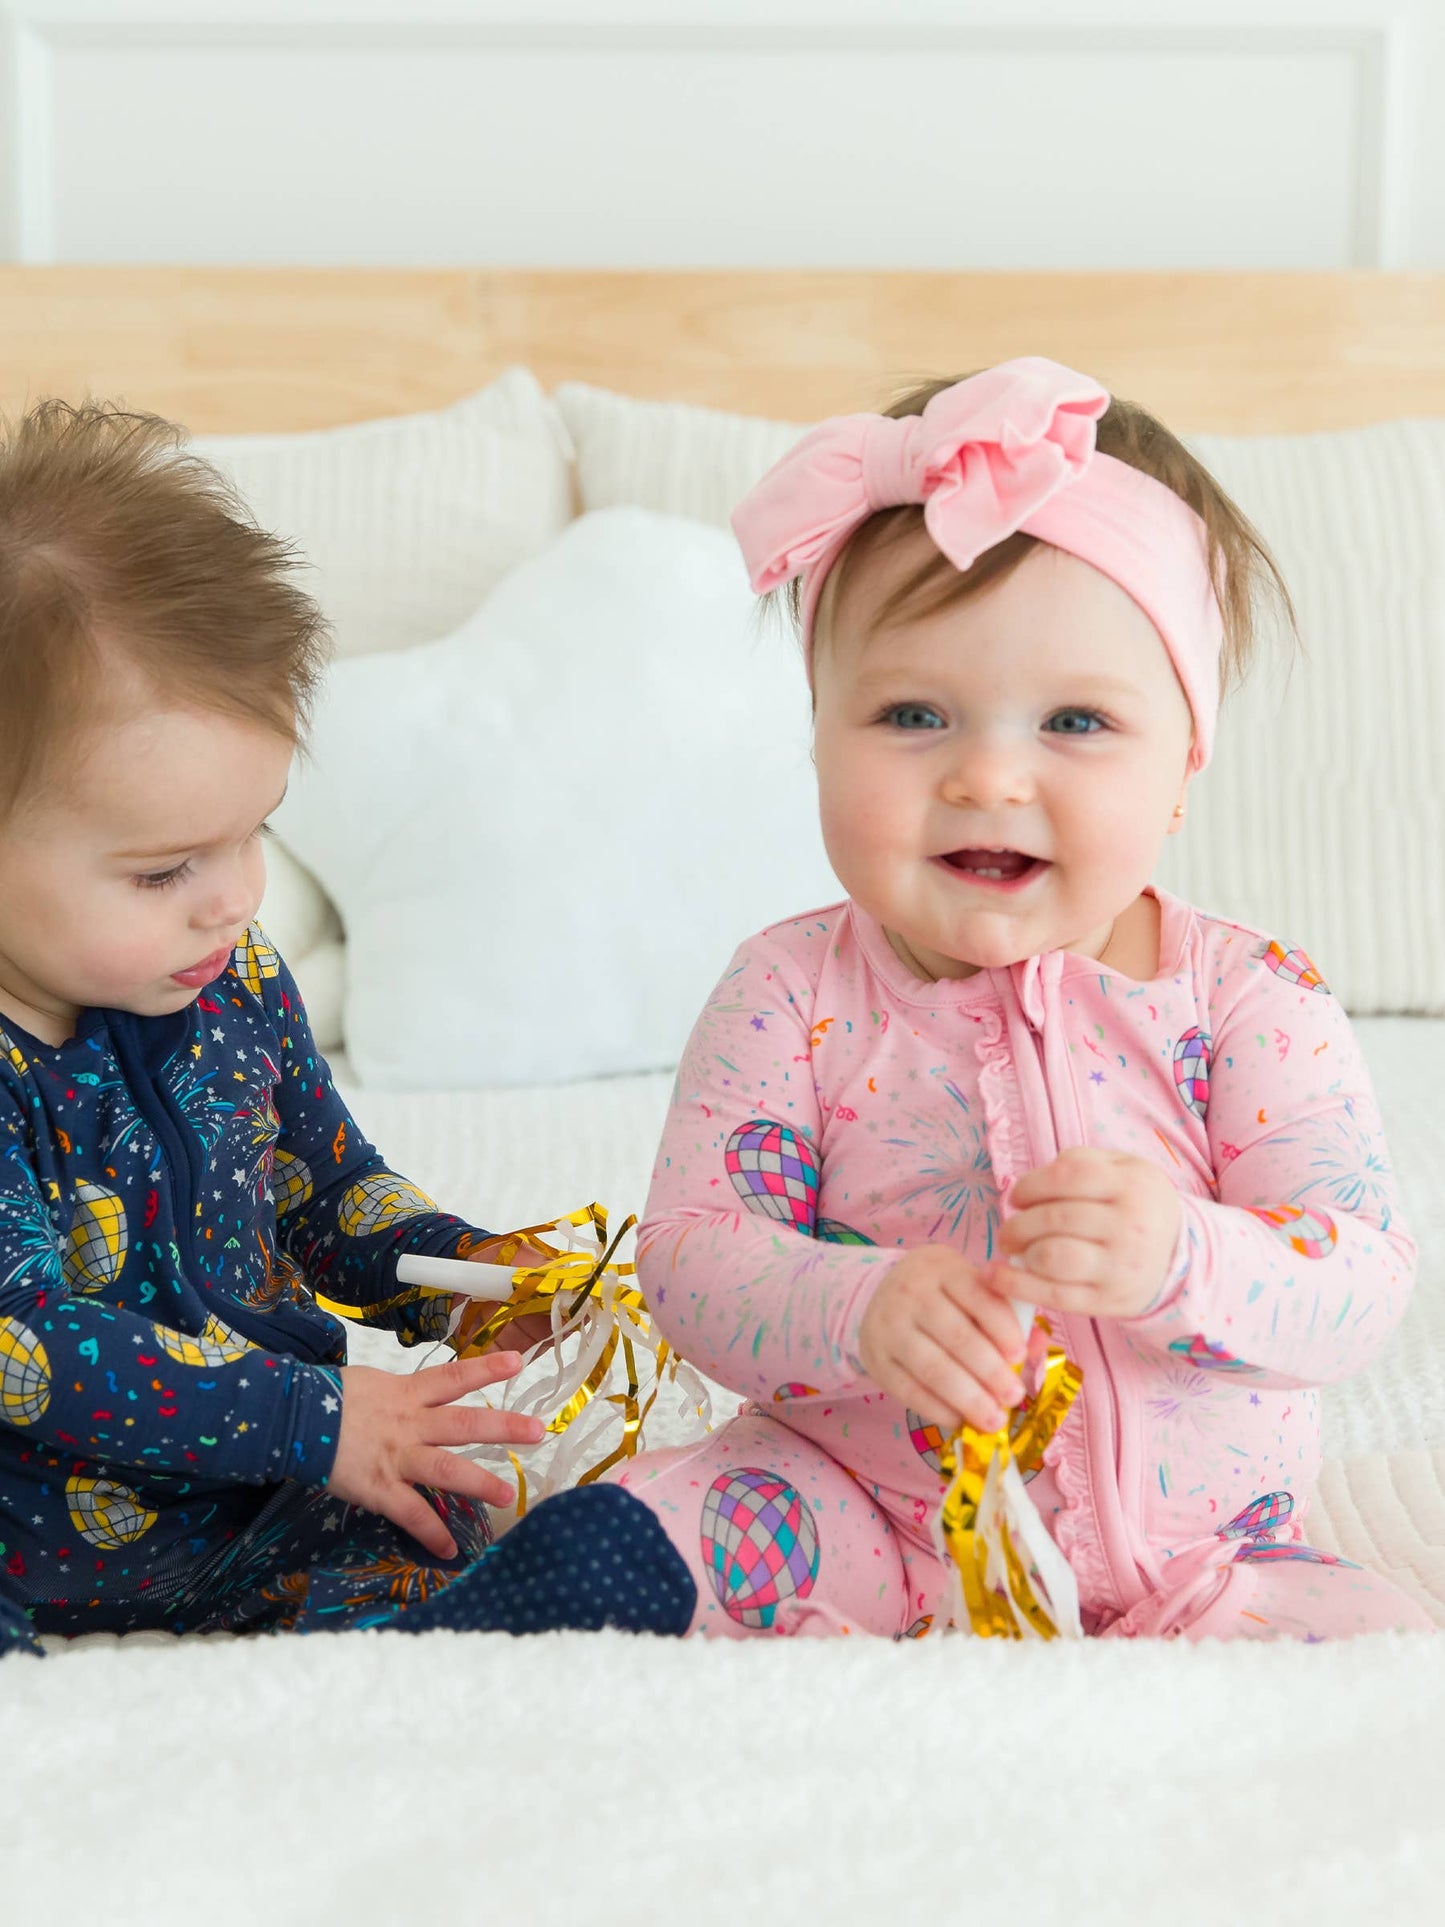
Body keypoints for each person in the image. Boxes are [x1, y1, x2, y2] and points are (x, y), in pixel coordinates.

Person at [608, 357, 1434, 1641]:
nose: (989, 776)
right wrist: (857, 1303)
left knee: (1385, 1666)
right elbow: (692, 1253)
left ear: (1181, 760)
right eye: (912, 713)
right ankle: (484, 1622)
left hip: (1206, 1558)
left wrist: (1182, 1256)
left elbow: (1360, 1280)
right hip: (866, 1516)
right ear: (816, 727)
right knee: (653, 1531)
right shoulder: (788, 988)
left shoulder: (1245, 999)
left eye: (1075, 723)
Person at [0, 401, 693, 1658]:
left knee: (442, 1528)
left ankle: (446, 1664)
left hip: (267, 1504)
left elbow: (329, 1194)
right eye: (164, 870)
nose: (236, 896)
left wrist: (471, 1280)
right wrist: (317, 1418)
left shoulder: (230, 977)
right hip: (31, 1526)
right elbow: (27, 1341)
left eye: (254, 829)